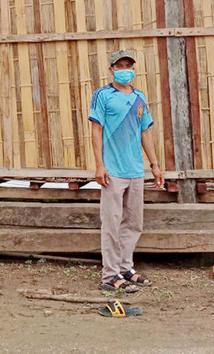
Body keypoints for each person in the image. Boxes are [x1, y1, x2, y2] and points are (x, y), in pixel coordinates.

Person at [89, 49, 164, 293]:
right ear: (111, 70)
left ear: (134, 69)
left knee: (133, 222)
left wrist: (154, 165)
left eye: (128, 66)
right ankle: (110, 275)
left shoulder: (139, 97)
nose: (125, 70)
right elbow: (96, 130)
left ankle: (125, 267)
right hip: (112, 171)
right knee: (111, 222)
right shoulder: (103, 96)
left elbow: (145, 132)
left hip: (135, 170)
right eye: (119, 66)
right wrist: (100, 165)